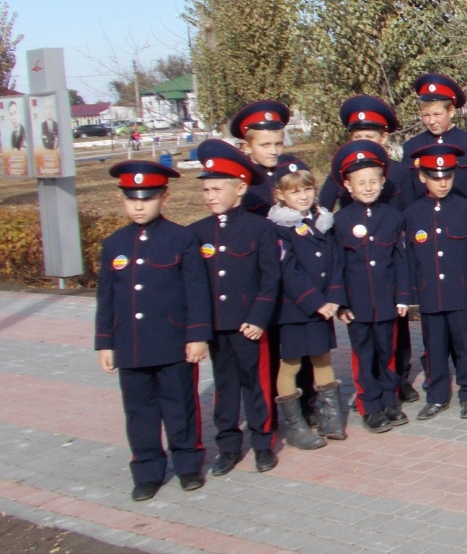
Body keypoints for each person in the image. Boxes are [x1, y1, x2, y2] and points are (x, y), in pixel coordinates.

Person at [95, 160, 210, 501]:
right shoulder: (114, 245)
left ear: (164, 197)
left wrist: (197, 335)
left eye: (147, 198)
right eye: (132, 199)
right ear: (123, 201)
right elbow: (106, 297)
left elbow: (196, 290)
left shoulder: (182, 238)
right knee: (139, 411)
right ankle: (146, 469)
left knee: (180, 406)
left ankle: (188, 465)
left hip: (173, 342)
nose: (139, 205)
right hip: (130, 344)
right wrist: (105, 343)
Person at [319, 94, 422, 403]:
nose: (363, 142)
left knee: (395, 333)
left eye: (370, 136)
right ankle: (373, 392)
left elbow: (411, 218)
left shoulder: (400, 174)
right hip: (357, 269)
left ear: (383, 137)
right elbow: (323, 213)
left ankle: (398, 378)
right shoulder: (342, 175)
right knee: (366, 342)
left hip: (391, 266)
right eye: (357, 136)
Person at [190, 139, 282, 475]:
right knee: (224, 387)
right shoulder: (196, 233)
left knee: (256, 386)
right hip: (216, 326)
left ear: (240, 188)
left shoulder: (261, 229)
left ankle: (262, 443)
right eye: (206, 190)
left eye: (216, 188)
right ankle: (228, 446)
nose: (210, 196)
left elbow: (270, 279)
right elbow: (195, 286)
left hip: (250, 325)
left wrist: (258, 318)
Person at [325, 141, 412, 433]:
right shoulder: (340, 220)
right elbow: (336, 264)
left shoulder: (393, 217)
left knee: (387, 352)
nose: (367, 187)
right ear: (348, 186)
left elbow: (401, 260)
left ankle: (390, 400)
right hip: (357, 303)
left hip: (387, 301)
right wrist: (340, 302)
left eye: (373, 181)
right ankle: (369, 406)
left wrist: (402, 296)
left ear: (383, 182)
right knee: (364, 355)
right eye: (360, 182)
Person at [405, 143, 467, 421]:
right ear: (422, 177)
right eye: (436, 177)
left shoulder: (465, 208)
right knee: (435, 347)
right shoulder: (413, 213)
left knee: (465, 345)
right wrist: (412, 291)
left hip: (459, 290)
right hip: (429, 292)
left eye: (447, 177)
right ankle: (437, 396)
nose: (442, 183)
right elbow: (411, 257)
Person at [267, 161, 345, 445]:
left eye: (308, 189)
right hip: (296, 309)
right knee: (290, 365)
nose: (303, 196)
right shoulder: (278, 227)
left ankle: (331, 419)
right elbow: (287, 270)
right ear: (281, 195)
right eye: (295, 191)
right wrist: (315, 302)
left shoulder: (322, 221)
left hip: (324, 305)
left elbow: (336, 260)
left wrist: (334, 297)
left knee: (323, 359)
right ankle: (295, 427)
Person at [405, 74, 467, 202]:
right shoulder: (412, 146)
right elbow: (407, 192)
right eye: (426, 115)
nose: (431, 121)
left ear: (451, 111)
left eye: (437, 114)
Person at [229, 100, 291, 214]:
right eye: (265, 145)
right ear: (247, 147)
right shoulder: (240, 179)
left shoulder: (291, 169)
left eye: (278, 144)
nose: (273, 151)